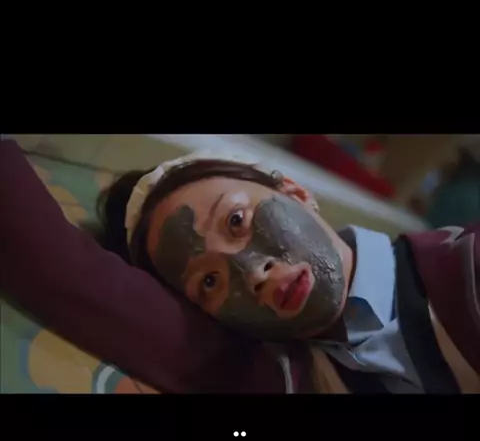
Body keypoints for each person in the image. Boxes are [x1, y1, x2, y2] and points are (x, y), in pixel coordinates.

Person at [1, 141, 479, 394]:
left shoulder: (464, 265)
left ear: (295, 192)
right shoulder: (265, 371)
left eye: (236, 221)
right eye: (209, 281)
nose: (253, 274)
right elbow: (58, 270)